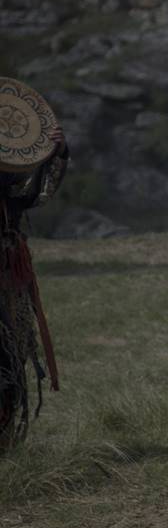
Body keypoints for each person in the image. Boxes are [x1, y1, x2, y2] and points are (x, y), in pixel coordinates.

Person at [1, 125, 67, 452]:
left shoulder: (8, 177)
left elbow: (32, 192)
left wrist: (52, 152)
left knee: (8, 359)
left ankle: (5, 442)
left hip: (4, 275)